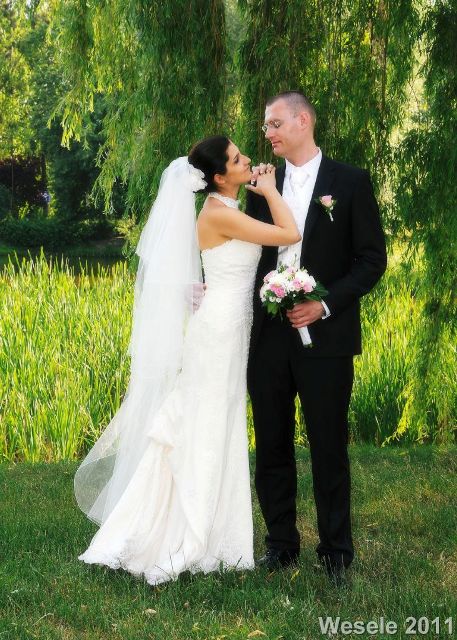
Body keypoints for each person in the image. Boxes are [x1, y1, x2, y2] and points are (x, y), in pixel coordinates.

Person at [74, 135, 300, 586]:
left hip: (229, 328)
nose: (247, 160)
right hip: (218, 334)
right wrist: (272, 191)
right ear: (219, 176)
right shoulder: (218, 213)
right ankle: (191, 533)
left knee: (217, 422)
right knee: (206, 425)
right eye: (237, 159)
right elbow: (289, 234)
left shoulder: (226, 208)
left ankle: (219, 533)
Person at [246, 91, 387, 582]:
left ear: (303, 120)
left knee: (329, 446)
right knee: (271, 442)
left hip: (327, 338)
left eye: (275, 123)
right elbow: (250, 254)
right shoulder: (261, 186)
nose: (268, 133)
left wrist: (323, 305)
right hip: (268, 337)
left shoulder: (350, 182)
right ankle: (280, 545)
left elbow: (371, 260)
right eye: (266, 126)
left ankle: (336, 554)